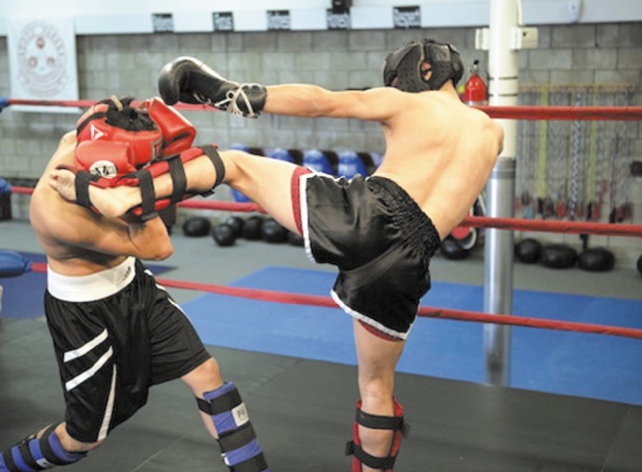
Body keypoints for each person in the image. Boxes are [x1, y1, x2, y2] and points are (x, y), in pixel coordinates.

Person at [51, 38, 504, 471]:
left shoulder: (411, 102)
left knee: (235, 164)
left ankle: (122, 197)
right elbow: (463, 204)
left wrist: (230, 94)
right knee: (376, 388)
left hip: (365, 216)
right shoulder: (491, 133)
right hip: (410, 259)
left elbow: (322, 101)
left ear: (420, 71)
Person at [0, 97, 269, 472]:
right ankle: (9, 464)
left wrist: (142, 138)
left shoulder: (85, 144)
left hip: (134, 286)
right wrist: (137, 186)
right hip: (84, 315)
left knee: (208, 375)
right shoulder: (54, 211)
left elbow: (108, 112)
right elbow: (158, 244)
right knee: (83, 438)